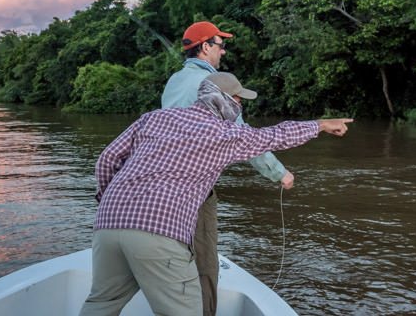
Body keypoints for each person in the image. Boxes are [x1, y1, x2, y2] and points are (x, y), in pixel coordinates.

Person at [79, 73, 353, 316]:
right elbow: (275, 136)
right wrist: (320, 125)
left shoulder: (154, 117)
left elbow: (107, 159)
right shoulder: (223, 134)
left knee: (102, 302)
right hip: (159, 231)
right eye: (238, 98)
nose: (241, 105)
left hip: (107, 225)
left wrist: (108, 202)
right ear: (225, 101)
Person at [161, 21, 293, 316]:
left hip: (161, 188)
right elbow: (243, 137)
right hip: (195, 188)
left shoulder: (172, 82)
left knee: (176, 254)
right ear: (205, 47)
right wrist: (280, 173)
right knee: (206, 262)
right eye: (221, 45)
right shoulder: (214, 85)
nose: (224, 51)